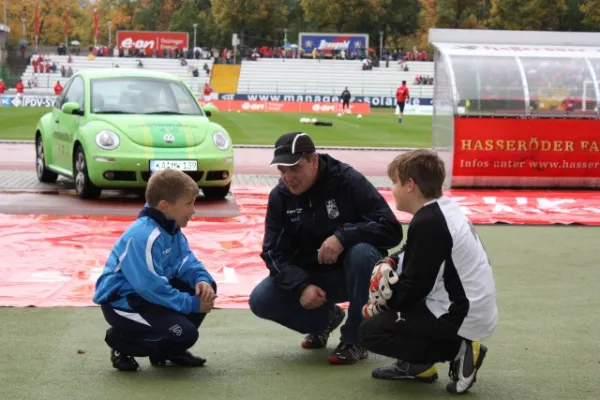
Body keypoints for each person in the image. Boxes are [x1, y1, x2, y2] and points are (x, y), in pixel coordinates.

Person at [249, 132, 404, 365]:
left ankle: (356, 338)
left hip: (352, 274)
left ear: (313, 160)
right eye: (282, 170)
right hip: (311, 278)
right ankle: (326, 319)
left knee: (362, 253)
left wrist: (343, 236)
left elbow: (391, 229)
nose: (288, 177)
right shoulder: (280, 197)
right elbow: (273, 252)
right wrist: (301, 286)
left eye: (295, 168)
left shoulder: (347, 180)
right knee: (260, 300)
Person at [358, 149, 498, 394]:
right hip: (469, 306)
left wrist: (381, 304)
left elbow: (415, 287)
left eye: (395, 182)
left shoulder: (429, 222)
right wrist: (391, 261)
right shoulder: (439, 211)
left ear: (410, 185)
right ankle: (420, 365)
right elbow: (412, 251)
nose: (392, 189)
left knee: (371, 331)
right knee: (393, 315)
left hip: (462, 313)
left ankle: (459, 349)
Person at [93, 169, 217, 372]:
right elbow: (150, 287)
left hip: (147, 297)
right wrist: (191, 304)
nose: (193, 210)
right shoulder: (143, 236)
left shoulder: (171, 228)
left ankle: (168, 352)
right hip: (124, 303)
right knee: (187, 334)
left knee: (206, 287)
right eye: (188, 204)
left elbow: (187, 262)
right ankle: (120, 342)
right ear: (165, 206)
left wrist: (201, 280)